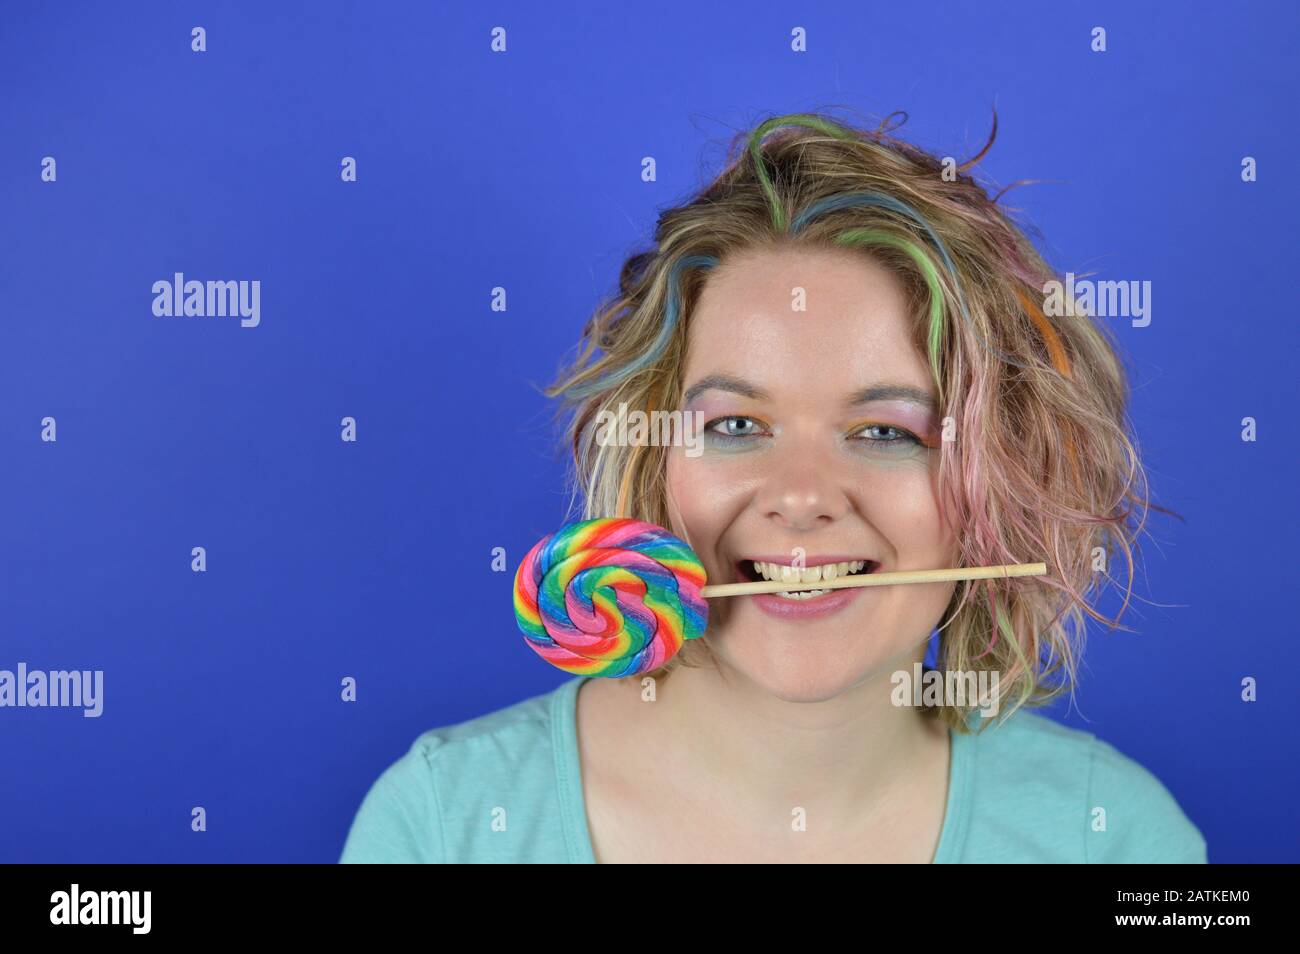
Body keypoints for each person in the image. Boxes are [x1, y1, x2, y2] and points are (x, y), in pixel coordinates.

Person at [340, 111, 1207, 863]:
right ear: (657, 459)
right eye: (736, 426)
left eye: (884, 433)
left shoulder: (1116, 841)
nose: (800, 495)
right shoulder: (443, 826)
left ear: (1000, 484)